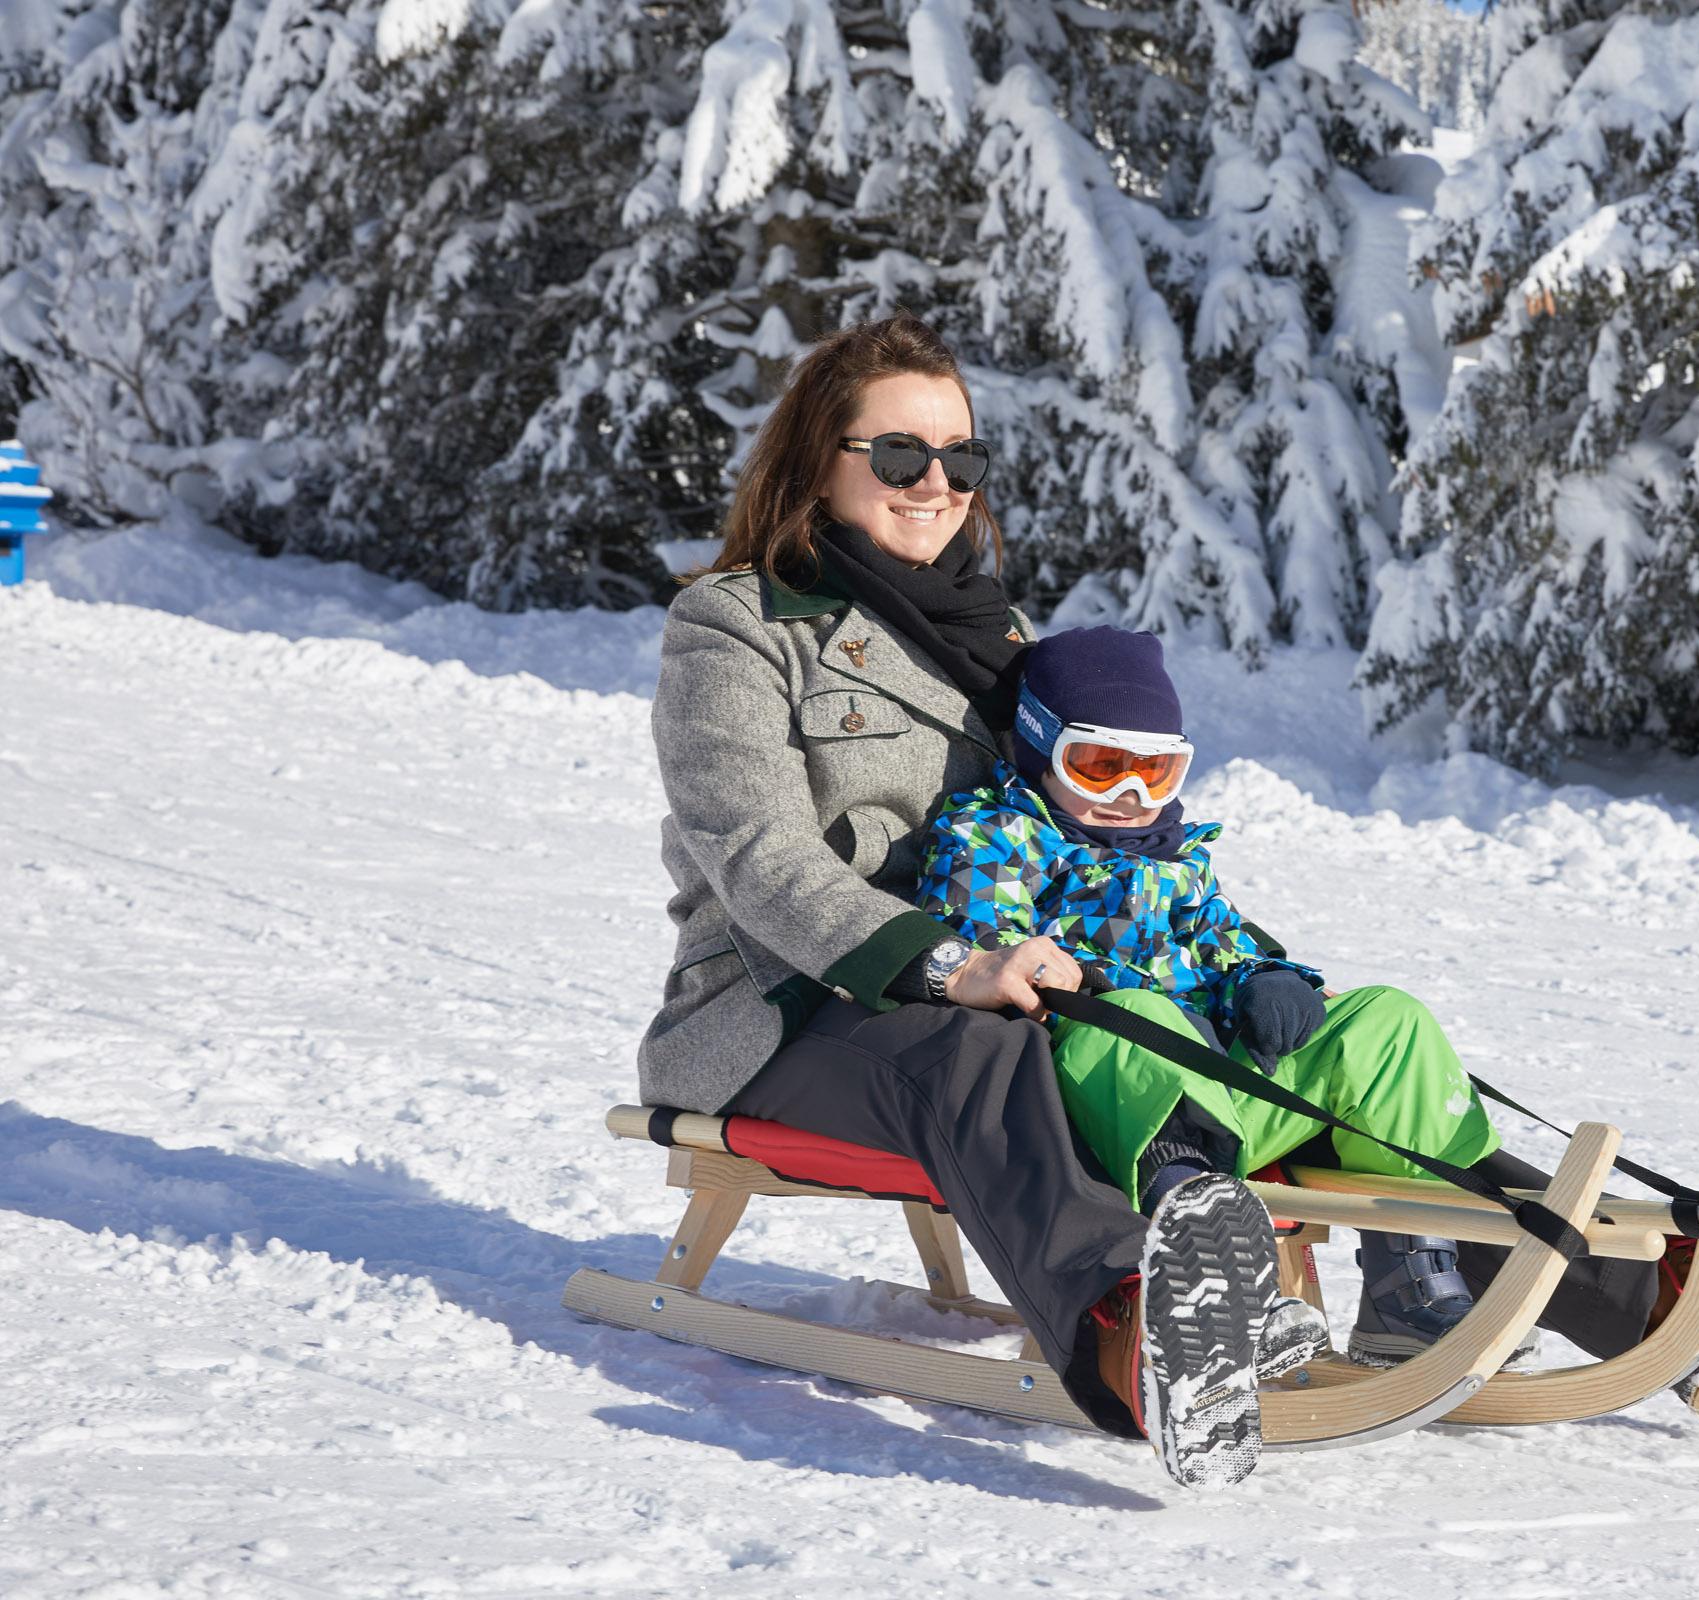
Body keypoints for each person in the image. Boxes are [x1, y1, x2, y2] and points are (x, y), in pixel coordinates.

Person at [640, 311, 1290, 1487]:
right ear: (819, 461)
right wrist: (950, 964)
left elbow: (1110, 844)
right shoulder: (737, 626)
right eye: (899, 454)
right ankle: (1137, 1337)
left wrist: (1252, 966)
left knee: (1211, 1033)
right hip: (784, 1003)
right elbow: (758, 855)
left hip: (1003, 972)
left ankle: (1553, 1272)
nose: (934, 483)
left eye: (959, 456)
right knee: (980, 1057)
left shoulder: (1005, 641)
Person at [913, 624, 1535, 1369]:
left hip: (1220, 1099)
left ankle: (1409, 1284)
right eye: (1101, 767)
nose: (1130, 796)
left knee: (1387, 1020)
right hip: (1097, 1109)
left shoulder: (1179, 860)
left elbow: (1226, 944)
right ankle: (1215, 1279)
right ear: (1042, 748)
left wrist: (1265, 979)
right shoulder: (994, 835)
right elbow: (984, 944)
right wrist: (1089, 979)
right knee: (1138, 1016)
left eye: (1156, 772)